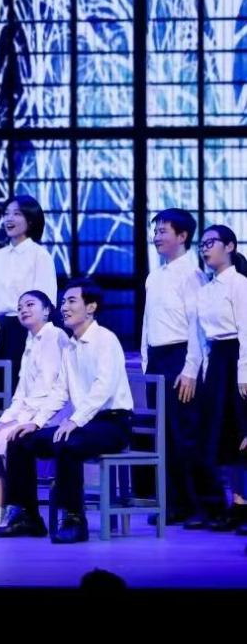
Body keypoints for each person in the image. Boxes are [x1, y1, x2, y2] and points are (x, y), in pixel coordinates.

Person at [0, 279, 134, 544]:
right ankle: (27, 516)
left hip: (112, 423)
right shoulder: (70, 345)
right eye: (63, 302)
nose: (65, 307)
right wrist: (36, 423)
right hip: (83, 423)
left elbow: (103, 389)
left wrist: (75, 420)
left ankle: (74, 519)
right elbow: (60, 391)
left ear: (91, 307)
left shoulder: (106, 340)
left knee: (68, 444)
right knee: (19, 441)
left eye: (72, 301)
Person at [0, 290, 69, 533]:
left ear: (47, 310)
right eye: (20, 306)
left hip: (53, 412)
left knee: (9, 438)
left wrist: (21, 422)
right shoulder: (30, 342)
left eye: (30, 304)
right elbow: (21, 394)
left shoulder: (55, 336)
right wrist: (3, 421)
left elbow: (53, 390)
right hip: (30, 411)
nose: (23, 309)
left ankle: (19, 509)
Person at [140, 208, 204, 520]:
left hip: (180, 357)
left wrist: (190, 369)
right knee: (162, 434)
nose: (156, 237)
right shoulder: (154, 276)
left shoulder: (192, 274)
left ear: (182, 236)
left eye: (163, 231)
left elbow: (197, 325)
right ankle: (173, 503)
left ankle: (198, 505)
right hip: (157, 359)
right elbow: (147, 322)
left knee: (184, 434)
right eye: (155, 231)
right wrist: (145, 361)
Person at [191, 226, 247, 531]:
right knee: (223, 437)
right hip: (217, 363)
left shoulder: (240, 284)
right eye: (202, 244)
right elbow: (202, 338)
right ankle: (238, 504)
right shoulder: (205, 290)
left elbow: (246, 331)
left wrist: (244, 373)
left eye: (210, 243)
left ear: (230, 246)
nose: (205, 248)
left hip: (239, 358)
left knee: (243, 432)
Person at [0, 195, 57, 391]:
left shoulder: (40, 256)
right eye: (6, 214)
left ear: (30, 220)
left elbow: (46, 305)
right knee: (0, 395)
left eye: (16, 214)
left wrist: (39, 344)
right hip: (4, 334)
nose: (9, 219)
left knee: (26, 394)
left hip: (30, 332)